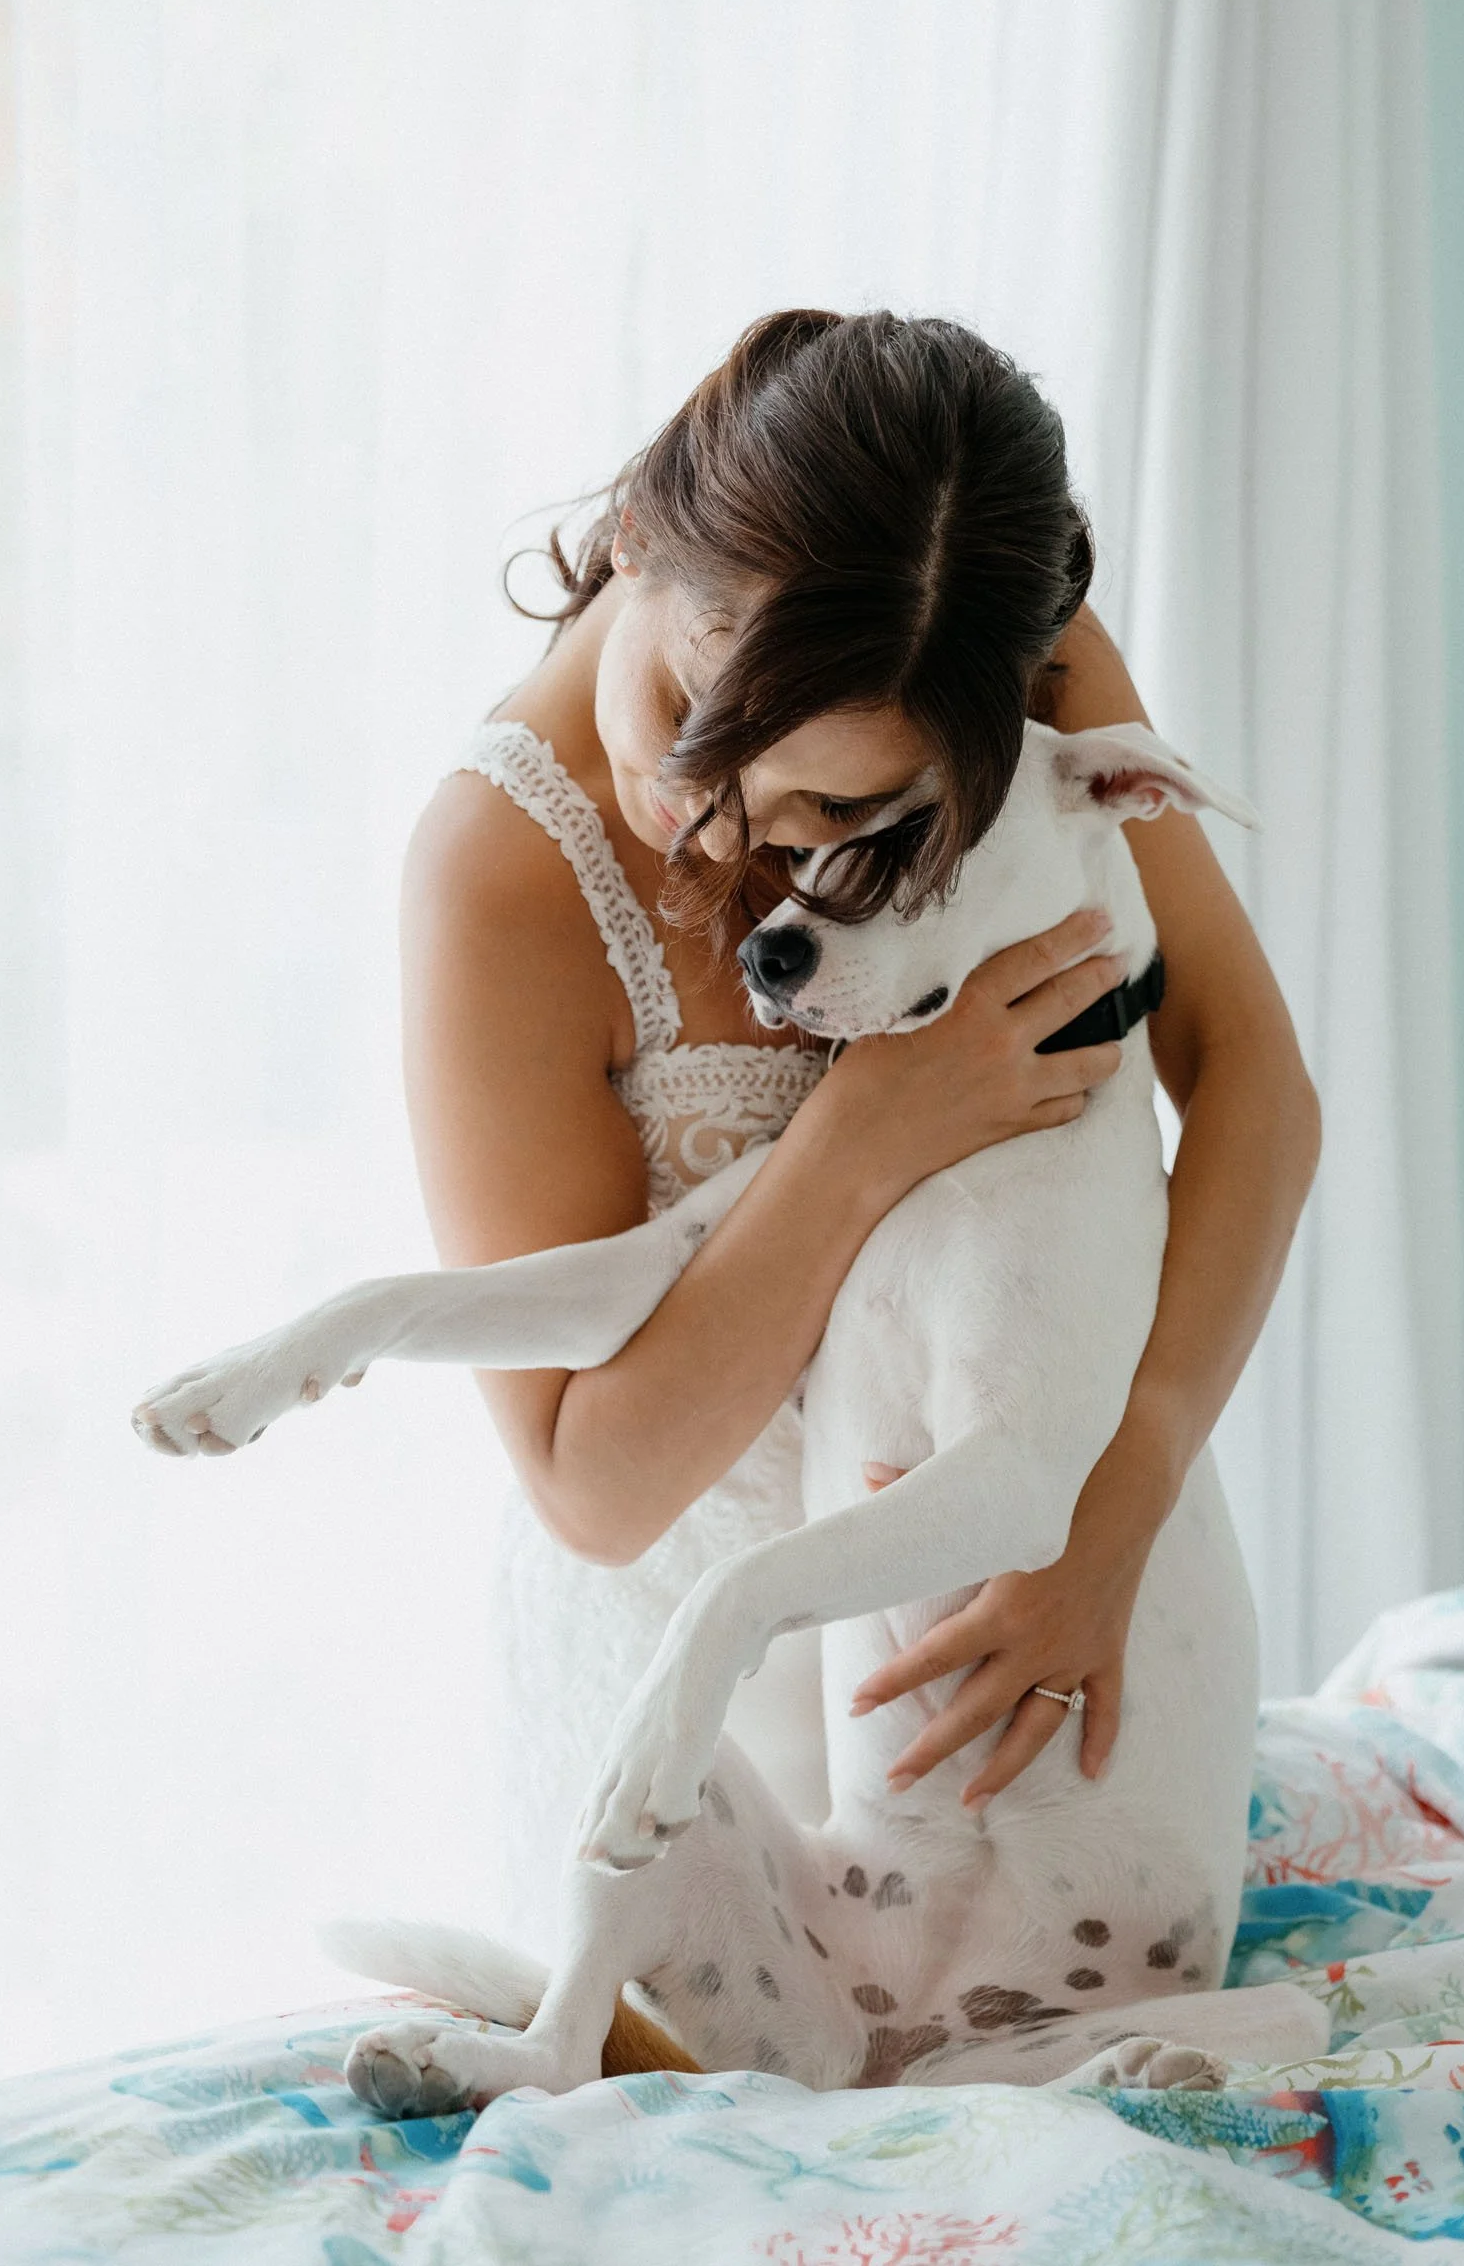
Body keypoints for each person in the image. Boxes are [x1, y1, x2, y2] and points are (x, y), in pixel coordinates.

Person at [401, 309, 1320, 1947]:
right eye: (698, 712)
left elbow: (1251, 1075)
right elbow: (590, 1488)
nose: (723, 827)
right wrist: (874, 1126)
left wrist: (1122, 1496)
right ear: (636, 537)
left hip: (1034, 1569)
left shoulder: (983, 646)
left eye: (840, 809)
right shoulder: (497, 877)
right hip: (697, 1708)